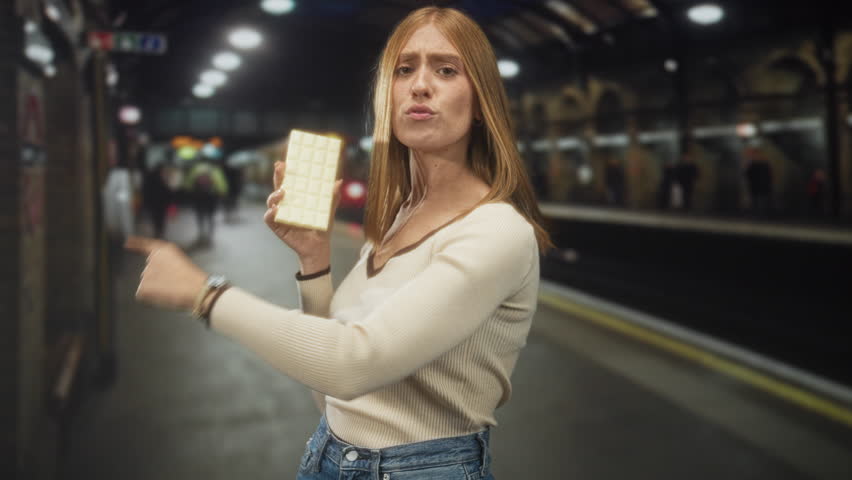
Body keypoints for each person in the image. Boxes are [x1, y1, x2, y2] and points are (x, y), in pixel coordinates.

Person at [125, 6, 552, 479]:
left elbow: (354, 364)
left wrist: (206, 295)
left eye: (446, 70)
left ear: (481, 102)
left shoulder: (496, 231)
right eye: (404, 69)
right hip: (330, 456)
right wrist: (314, 262)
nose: (420, 85)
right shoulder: (398, 219)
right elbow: (329, 388)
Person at [183, 158, 228, 243]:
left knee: (200, 215)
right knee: (210, 216)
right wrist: (223, 192)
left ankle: (201, 232)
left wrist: (189, 192)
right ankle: (210, 234)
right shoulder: (215, 169)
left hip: (198, 196)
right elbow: (221, 183)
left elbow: (188, 184)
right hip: (211, 197)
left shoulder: (195, 169)